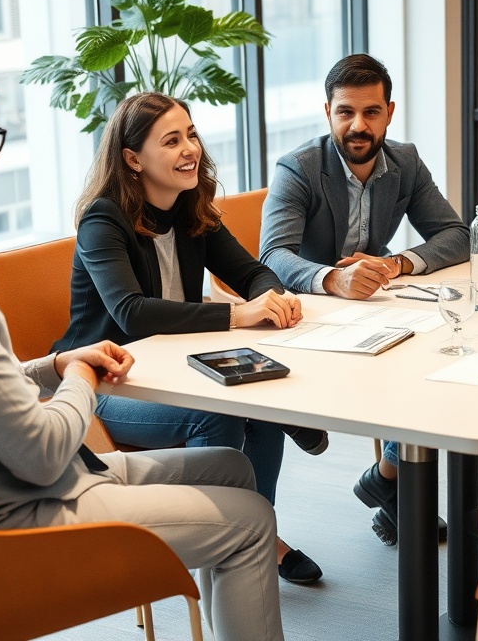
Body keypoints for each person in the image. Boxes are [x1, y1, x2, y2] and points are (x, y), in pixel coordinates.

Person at [0, 51, 285, 641]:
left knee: (233, 466)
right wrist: (82, 377)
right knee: (252, 521)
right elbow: (45, 453)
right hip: (19, 512)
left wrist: (54, 364)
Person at [51, 91, 324, 585]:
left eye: (192, 135)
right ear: (133, 159)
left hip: (173, 367)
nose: (190, 149)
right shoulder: (103, 219)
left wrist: (272, 297)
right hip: (106, 383)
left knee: (257, 404)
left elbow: (253, 272)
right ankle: (219, 546)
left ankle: (257, 534)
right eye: (172, 140)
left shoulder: (190, 207)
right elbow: (132, 314)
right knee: (219, 409)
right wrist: (239, 315)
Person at [259, 53, 470, 546]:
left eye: (371, 112)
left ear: (390, 113)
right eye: (345, 111)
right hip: (304, 317)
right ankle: (389, 485)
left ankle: (388, 478)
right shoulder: (299, 168)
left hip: (374, 311)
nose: (358, 124)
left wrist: (396, 264)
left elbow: (454, 233)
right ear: (327, 112)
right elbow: (273, 254)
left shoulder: (405, 161)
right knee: (416, 372)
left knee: (442, 359)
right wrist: (333, 278)